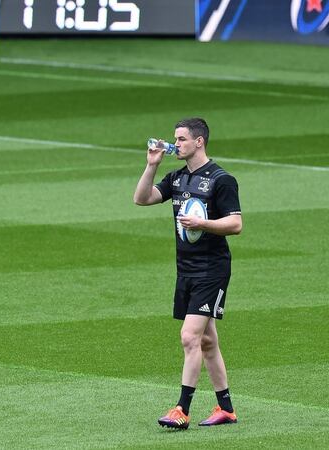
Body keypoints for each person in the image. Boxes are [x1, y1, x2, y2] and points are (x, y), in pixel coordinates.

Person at [133, 118, 242, 429]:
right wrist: (151, 165)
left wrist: (203, 224)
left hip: (212, 271)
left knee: (189, 336)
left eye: (181, 139)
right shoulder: (177, 178)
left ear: (199, 142)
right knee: (207, 341)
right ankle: (226, 409)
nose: (175, 144)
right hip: (186, 270)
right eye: (174, 139)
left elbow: (236, 224)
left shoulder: (222, 180)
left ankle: (182, 409)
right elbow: (141, 198)